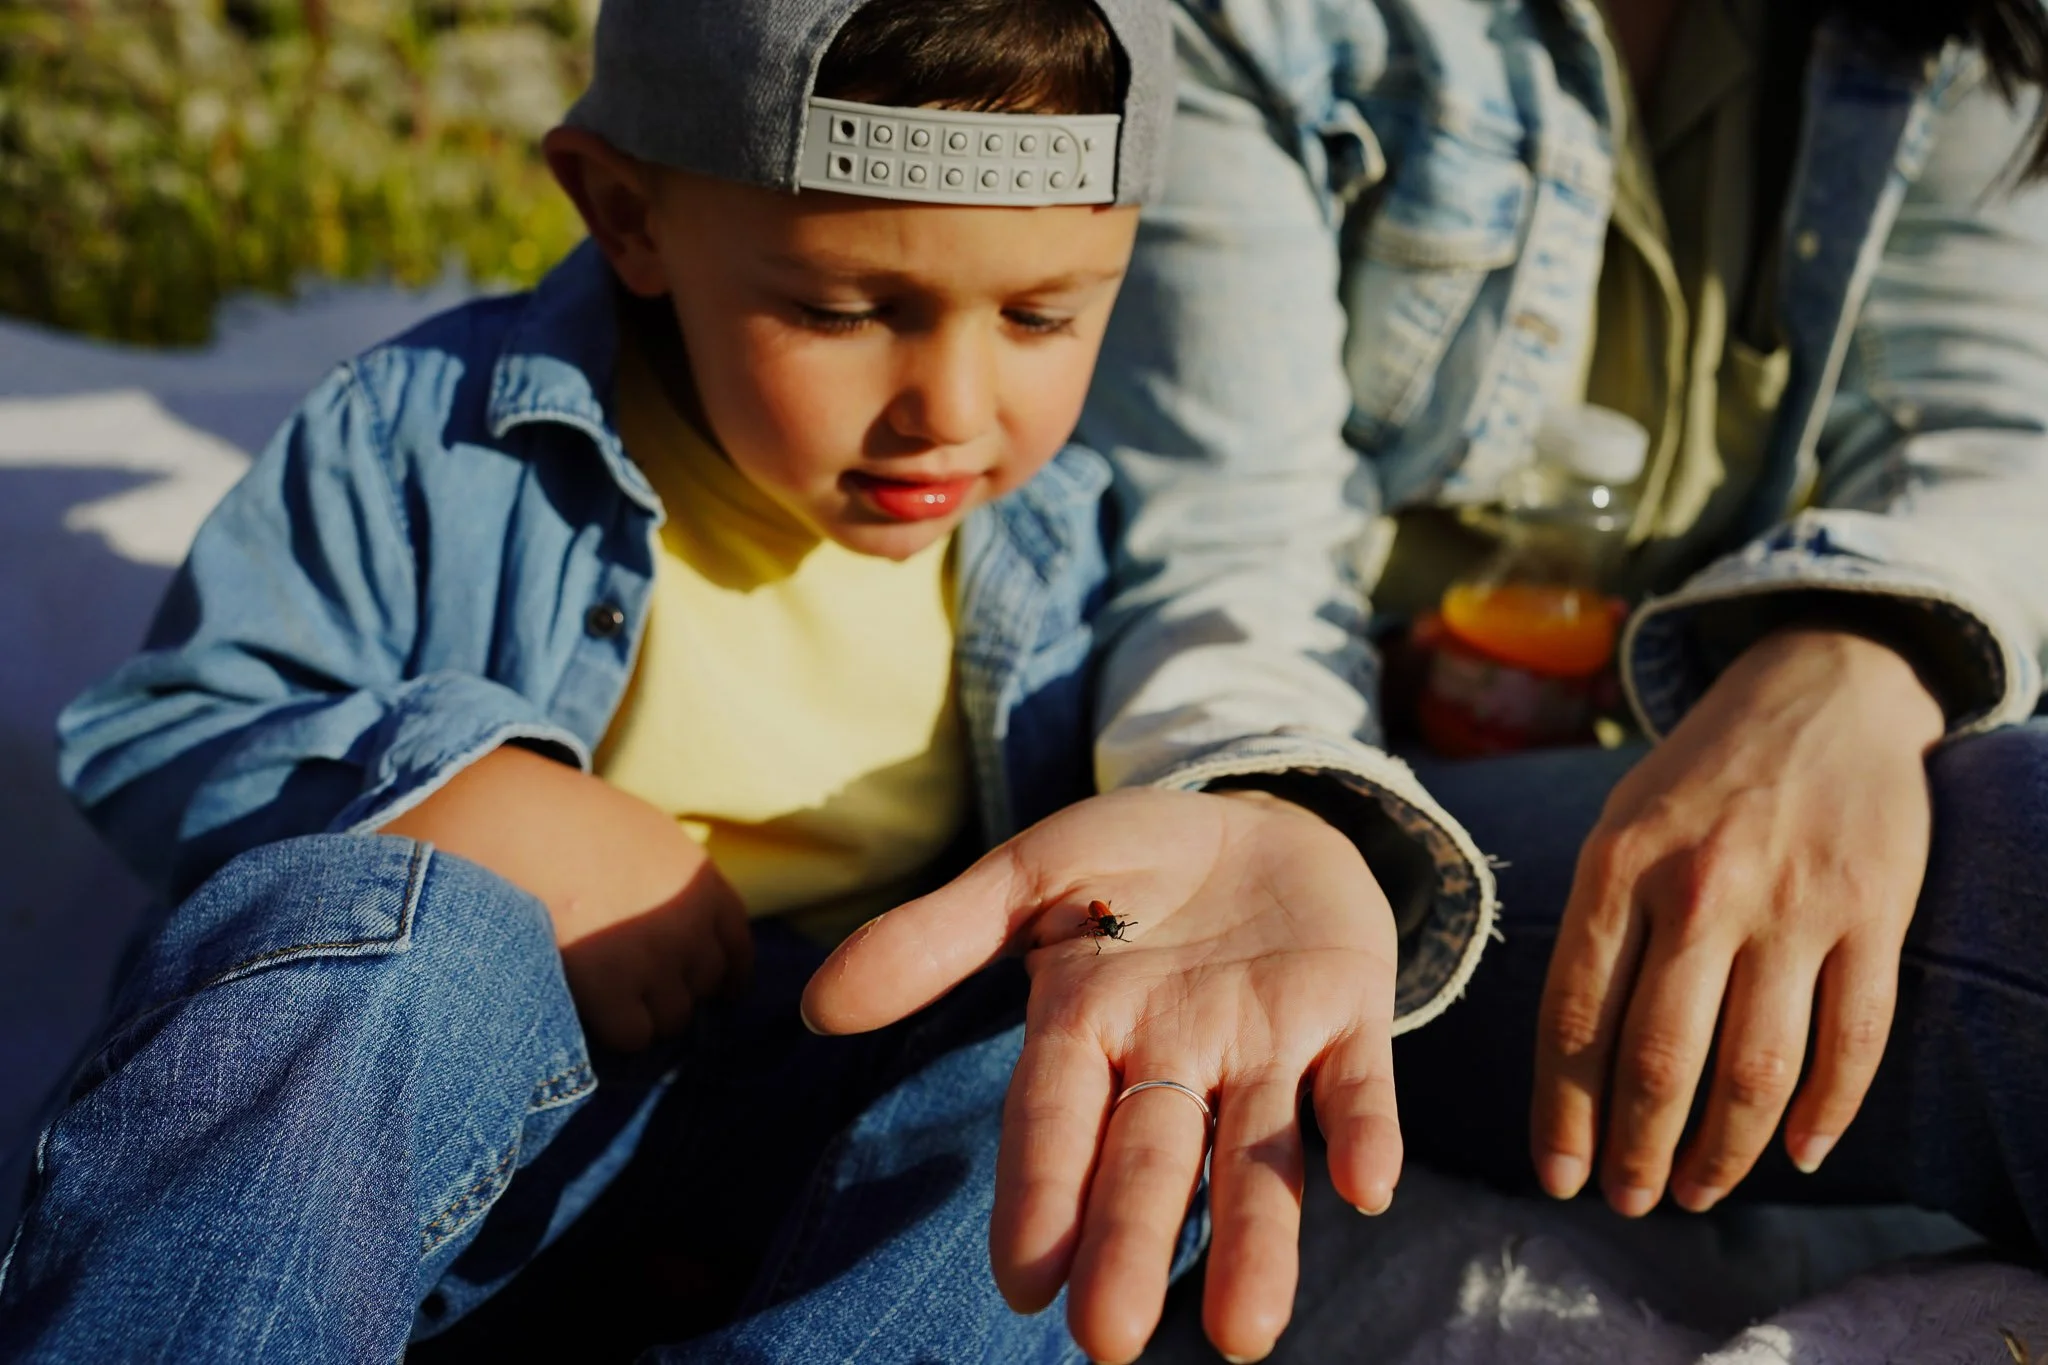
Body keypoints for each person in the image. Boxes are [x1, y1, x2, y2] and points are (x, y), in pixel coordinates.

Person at [794, 0, 2048, 1360]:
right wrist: (1287, 798)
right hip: (1392, 842)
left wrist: (1846, 652)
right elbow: (1231, 537)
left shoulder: (1969, 31)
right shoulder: (1247, 25)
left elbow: (1993, 418)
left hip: (1675, 763)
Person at [0, 1, 1226, 1359]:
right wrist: (466, 793)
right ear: (625, 213)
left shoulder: (1093, 530)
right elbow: (164, 725)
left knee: (1110, 1069)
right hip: (449, 1155)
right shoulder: (430, 438)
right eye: (841, 309)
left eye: (1042, 315)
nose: (950, 400)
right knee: (392, 937)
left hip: (827, 1176)